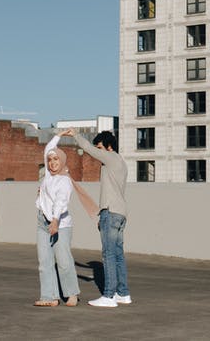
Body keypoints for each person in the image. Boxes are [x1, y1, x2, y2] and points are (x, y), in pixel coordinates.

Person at [63, 128, 130, 308]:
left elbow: (88, 149)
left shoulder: (109, 157)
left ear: (108, 146)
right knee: (117, 255)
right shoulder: (121, 162)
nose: (98, 151)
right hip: (121, 213)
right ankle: (123, 293)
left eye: (99, 147)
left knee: (108, 254)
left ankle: (108, 296)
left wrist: (75, 135)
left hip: (111, 211)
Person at [34, 134, 81, 307]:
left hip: (60, 223)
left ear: (62, 161)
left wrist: (54, 221)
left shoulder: (65, 181)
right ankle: (49, 297)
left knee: (63, 260)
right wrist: (60, 135)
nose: (53, 162)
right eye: (50, 160)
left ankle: (72, 294)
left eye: (56, 159)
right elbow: (48, 148)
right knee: (44, 262)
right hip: (42, 221)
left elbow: (61, 203)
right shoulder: (47, 175)